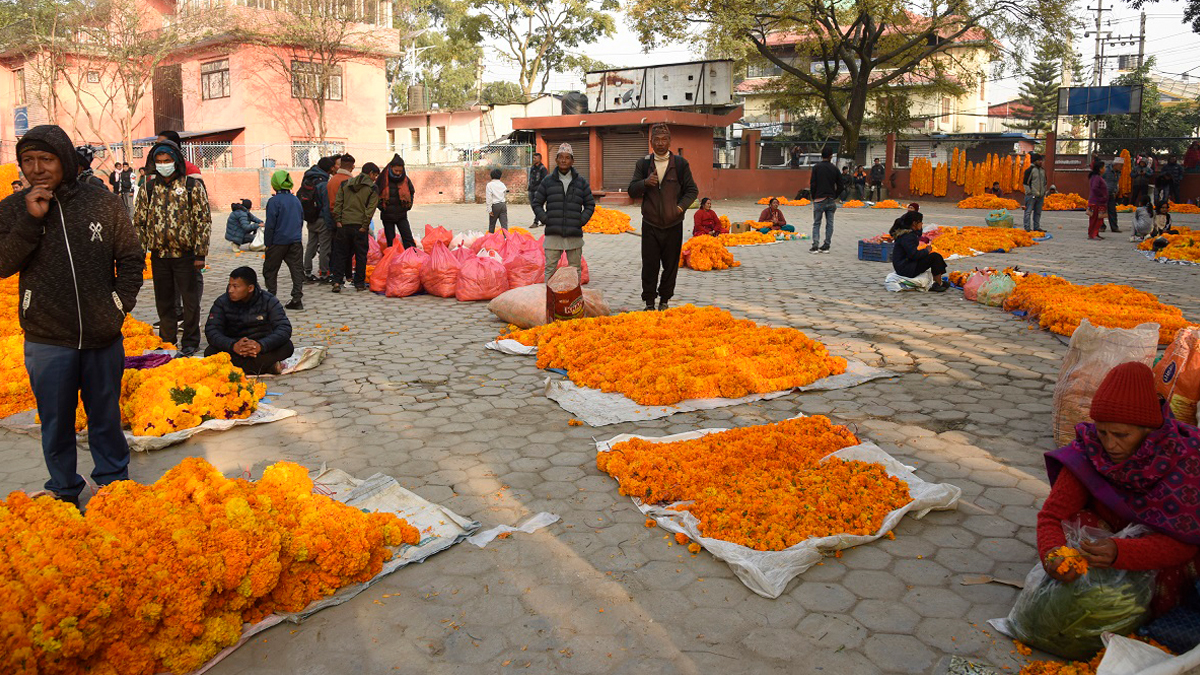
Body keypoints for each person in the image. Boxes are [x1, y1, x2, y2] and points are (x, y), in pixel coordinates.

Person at [0, 124, 143, 508]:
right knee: (56, 422)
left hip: (102, 335)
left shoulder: (102, 203)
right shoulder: (12, 209)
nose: (37, 168)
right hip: (48, 337)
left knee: (105, 417)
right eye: (27, 160)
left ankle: (113, 484)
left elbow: (130, 257)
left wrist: (119, 305)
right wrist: (31, 220)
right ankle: (63, 488)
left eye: (46, 159)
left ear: (63, 159)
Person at [1038, 362, 1200, 614]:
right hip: (1106, 539)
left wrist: (1122, 552)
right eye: (1103, 432)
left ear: (1148, 431)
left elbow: (1185, 542)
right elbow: (1051, 516)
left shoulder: (1184, 459)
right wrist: (1053, 554)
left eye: (1121, 435)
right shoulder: (1089, 451)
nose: (1110, 445)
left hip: (1156, 548)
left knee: (1179, 572)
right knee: (1077, 523)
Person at [133, 137, 211, 356]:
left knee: (190, 301)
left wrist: (200, 253)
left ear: (175, 161)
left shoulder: (191, 186)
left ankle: (190, 341)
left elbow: (203, 220)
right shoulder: (148, 188)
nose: (163, 164)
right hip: (159, 255)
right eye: (159, 161)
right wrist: (140, 253)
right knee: (164, 302)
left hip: (186, 255)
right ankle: (168, 341)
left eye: (167, 160)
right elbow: (139, 222)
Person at [627, 124, 698, 311]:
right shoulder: (643, 164)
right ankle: (649, 302)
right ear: (651, 142)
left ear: (670, 141)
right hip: (650, 224)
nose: (660, 143)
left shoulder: (681, 164)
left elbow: (692, 190)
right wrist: (645, 182)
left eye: (664, 139)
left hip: (673, 224)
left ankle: (664, 300)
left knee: (670, 265)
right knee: (649, 265)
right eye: (656, 140)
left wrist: (680, 207)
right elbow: (632, 190)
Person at [204, 267, 294, 376]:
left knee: (287, 346)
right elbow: (212, 331)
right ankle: (266, 367)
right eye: (230, 285)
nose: (230, 290)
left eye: (235, 286)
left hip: (261, 349)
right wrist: (233, 345)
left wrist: (261, 345)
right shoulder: (221, 302)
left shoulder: (268, 300)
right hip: (234, 349)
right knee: (210, 352)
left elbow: (284, 328)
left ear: (250, 288)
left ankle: (236, 369)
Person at [534, 143, 594, 282]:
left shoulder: (581, 182)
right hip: (553, 233)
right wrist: (545, 219)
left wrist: (581, 221)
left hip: (574, 234)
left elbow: (590, 204)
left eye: (567, 158)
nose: (563, 160)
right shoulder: (548, 181)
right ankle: (550, 300)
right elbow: (537, 202)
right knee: (550, 268)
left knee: (575, 269)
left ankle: (573, 302)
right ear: (556, 160)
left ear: (572, 161)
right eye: (560, 157)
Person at [331, 162, 380, 293]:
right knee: (361, 255)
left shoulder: (345, 184)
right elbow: (370, 210)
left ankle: (336, 282)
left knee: (340, 254)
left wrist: (338, 221)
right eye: (375, 175)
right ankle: (359, 284)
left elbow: (338, 204)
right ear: (370, 173)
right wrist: (364, 226)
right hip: (359, 226)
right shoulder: (373, 188)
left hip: (344, 225)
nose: (375, 178)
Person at [263, 170, 305, 311]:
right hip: (295, 241)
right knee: (297, 270)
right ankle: (297, 299)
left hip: (278, 242)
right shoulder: (296, 200)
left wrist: (268, 243)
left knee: (270, 270)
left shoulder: (274, 201)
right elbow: (300, 221)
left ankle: (271, 299)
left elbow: (270, 225)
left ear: (275, 184)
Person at [889, 211, 948, 293]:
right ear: (914, 223)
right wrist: (926, 251)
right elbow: (913, 255)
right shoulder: (908, 236)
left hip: (905, 265)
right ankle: (937, 283)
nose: (922, 223)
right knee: (935, 257)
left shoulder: (908, 233)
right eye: (920, 222)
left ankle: (938, 282)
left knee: (934, 256)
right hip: (906, 268)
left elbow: (917, 236)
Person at [299, 156, 334, 282]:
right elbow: (326, 205)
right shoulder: (323, 184)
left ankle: (307, 272)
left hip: (310, 218)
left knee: (311, 246)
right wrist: (329, 223)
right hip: (321, 219)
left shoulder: (308, 178)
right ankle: (324, 273)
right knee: (325, 247)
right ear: (330, 169)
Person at [376, 154, 416, 249]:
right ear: (391, 167)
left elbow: (411, 192)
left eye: (400, 171)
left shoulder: (405, 180)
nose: (398, 173)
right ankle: (393, 259)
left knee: (408, 238)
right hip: (387, 216)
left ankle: (412, 258)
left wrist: (408, 206)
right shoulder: (382, 179)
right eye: (396, 170)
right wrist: (381, 206)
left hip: (401, 215)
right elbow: (375, 194)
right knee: (391, 241)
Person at [809, 147, 843, 253]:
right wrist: (834, 195)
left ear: (821, 155)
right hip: (831, 200)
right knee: (830, 223)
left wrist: (814, 196)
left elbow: (813, 184)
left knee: (817, 223)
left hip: (819, 199)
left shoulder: (816, 168)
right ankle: (826, 245)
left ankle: (815, 245)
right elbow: (841, 186)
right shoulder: (834, 169)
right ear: (830, 156)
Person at [1022, 153, 1048, 233]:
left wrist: (1044, 192)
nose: (1041, 162)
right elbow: (1025, 183)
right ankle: (1027, 228)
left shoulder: (1042, 170)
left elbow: (1045, 182)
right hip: (1031, 196)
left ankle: (1036, 227)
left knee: (1038, 212)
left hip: (1040, 195)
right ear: (1034, 161)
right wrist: (1029, 192)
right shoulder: (1030, 170)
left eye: (1041, 160)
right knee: (1028, 212)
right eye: (1039, 160)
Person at [1087, 160, 1109, 241]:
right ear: (1100, 169)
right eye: (1104, 167)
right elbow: (1095, 188)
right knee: (1095, 219)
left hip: (1098, 201)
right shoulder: (1096, 178)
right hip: (1096, 202)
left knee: (1098, 219)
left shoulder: (1096, 177)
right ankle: (1093, 234)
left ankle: (1095, 233)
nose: (1105, 169)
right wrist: (1102, 195)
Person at [485, 168, 508, 234]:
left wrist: (489, 209)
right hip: (503, 205)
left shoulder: (489, 185)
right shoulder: (502, 184)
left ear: (491, 176)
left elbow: (489, 198)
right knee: (504, 225)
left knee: (492, 224)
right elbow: (505, 193)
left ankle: (491, 238)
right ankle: (506, 239)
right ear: (500, 176)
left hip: (495, 205)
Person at [527, 152, 547, 227]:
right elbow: (530, 178)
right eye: (533, 158)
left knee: (537, 206)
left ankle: (536, 222)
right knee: (533, 206)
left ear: (540, 159)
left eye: (535, 158)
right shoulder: (532, 168)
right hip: (531, 189)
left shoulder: (543, 169)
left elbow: (544, 181)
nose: (534, 159)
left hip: (538, 190)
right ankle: (544, 218)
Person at [1102, 159, 1122, 233]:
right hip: (1103, 193)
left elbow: (1116, 182)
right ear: (1116, 165)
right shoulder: (1106, 171)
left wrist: (1116, 190)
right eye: (1121, 165)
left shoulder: (1118, 172)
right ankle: (1101, 226)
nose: (1121, 167)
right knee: (1102, 210)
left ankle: (1114, 227)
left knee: (1112, 211)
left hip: (1111, 193)